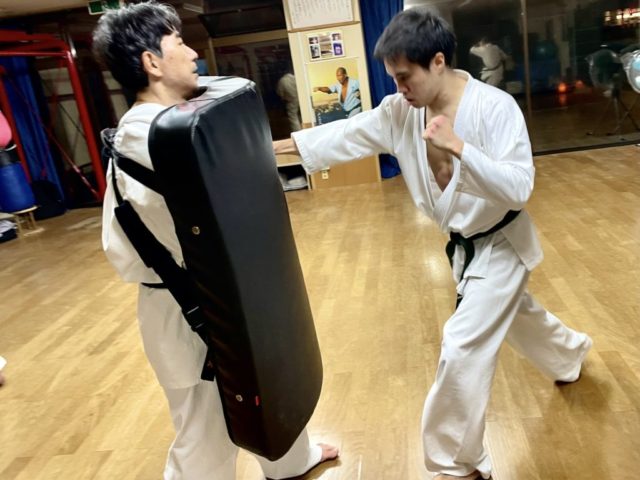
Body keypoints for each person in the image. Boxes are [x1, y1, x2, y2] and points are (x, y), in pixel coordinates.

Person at [274, 8, 591, 480]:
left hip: (502, 242)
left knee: (462, 344)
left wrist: (461, 147)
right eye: (394, 78)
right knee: (516, 315)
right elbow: (342, 134)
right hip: (465, 246)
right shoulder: (399, 111)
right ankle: (569, 354)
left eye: (406, 76)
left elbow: (519, 188)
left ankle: (454, 464)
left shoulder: (495, 107)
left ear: (438, 61)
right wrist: (264, 150)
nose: (399, 88)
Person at [92, 2, 338, 479]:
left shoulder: (175, 122)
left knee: (267, 381)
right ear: (151, 62)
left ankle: (291, 460)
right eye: (179, 43)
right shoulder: (150, 136)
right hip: (185, 304)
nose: (192, 54)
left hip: (224, 284)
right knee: (205, 426)